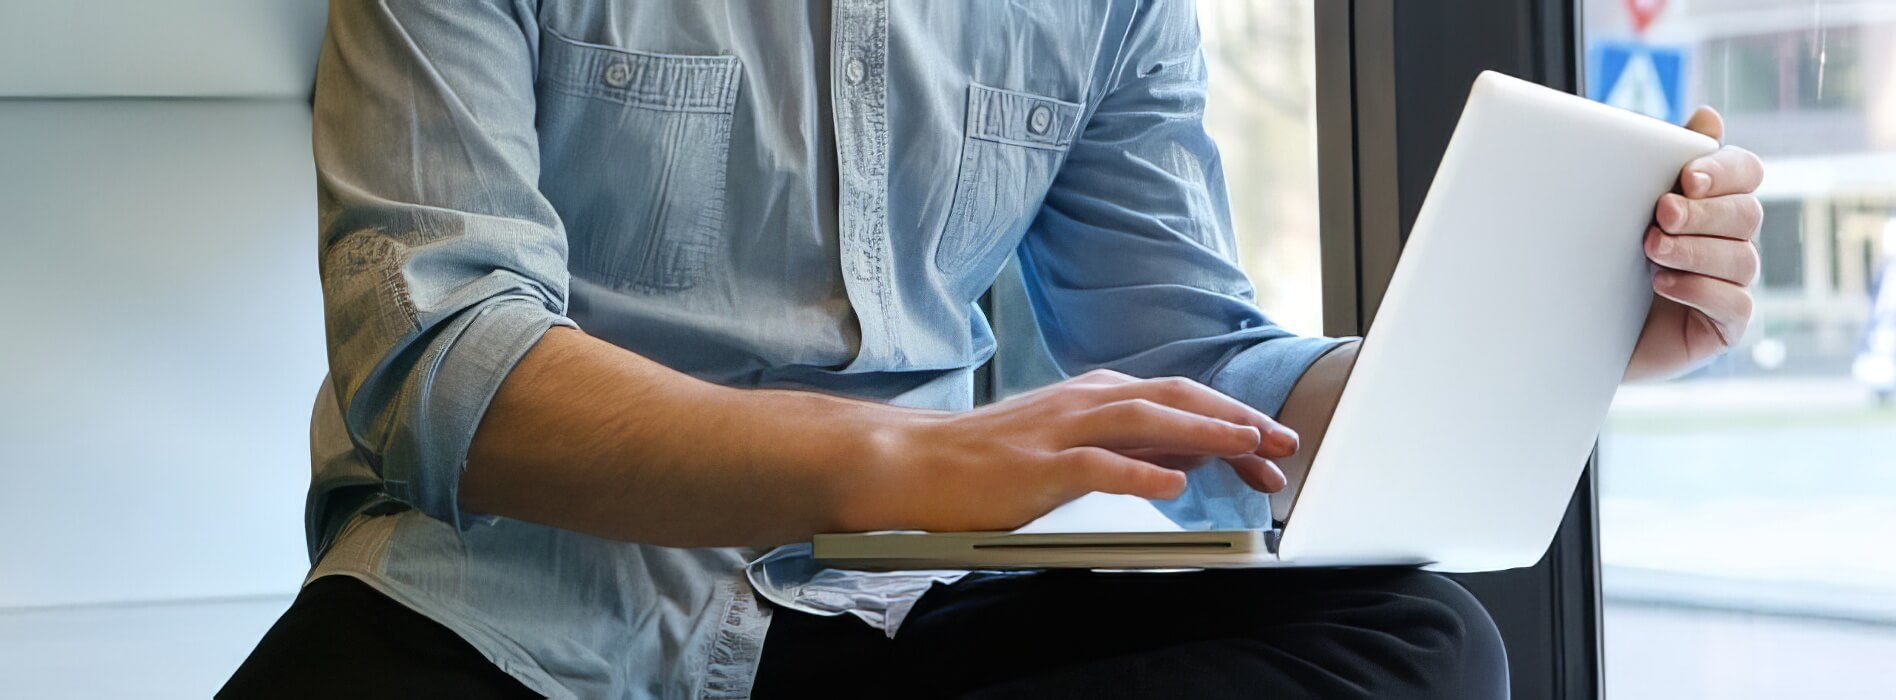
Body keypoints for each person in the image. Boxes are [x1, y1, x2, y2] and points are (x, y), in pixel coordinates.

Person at [221, 1, 1764, 698]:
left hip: (894, 617)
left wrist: (1552, 336)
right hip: (512, 609)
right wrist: (911, 459)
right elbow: (441, 366)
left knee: (1422, 647)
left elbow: (1194, 360)